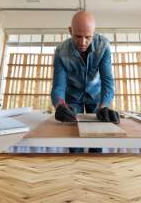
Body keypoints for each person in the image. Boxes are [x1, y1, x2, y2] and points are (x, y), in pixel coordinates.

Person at [51, 11, 120, 153]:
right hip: (72, 97)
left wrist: (104, 106)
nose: (83, 42)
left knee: (97, 139)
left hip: (96, 96)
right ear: (70, 31)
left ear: (94, 33)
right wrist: (59, 105)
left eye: (88, 37)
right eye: (78, 36)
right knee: (74, 140)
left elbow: (107, 81)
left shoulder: (103, 46)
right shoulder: (60, 51)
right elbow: (59, 86)